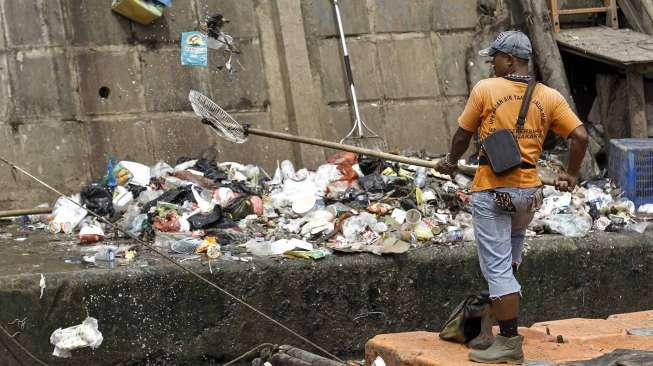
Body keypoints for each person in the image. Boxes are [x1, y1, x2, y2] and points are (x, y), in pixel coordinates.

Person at [434, 31, 588, 364]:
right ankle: (491, 326)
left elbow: (463, 134)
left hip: (494, 191)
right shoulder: (549, 96)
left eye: (495, 60)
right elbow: (580, 136)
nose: (492, 66)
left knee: (498, 269)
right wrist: (571, 174)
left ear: (510, 60)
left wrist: (449, 162)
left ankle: (508, 342)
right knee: (510, 257)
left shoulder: (487, 90)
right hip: (528, 195)